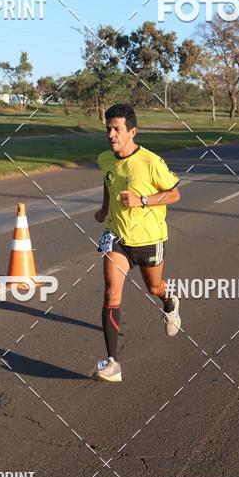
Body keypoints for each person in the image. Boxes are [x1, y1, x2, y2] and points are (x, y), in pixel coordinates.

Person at [93, 103, 181, 383]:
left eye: (117, 129)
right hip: (117, 236)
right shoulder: (105, 158)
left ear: (132, 131)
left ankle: (169, 304)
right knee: (111, 294)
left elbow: (174, 194)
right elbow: (109, 183)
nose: (111, 134)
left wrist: (143, 200)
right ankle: (112, 362)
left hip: (150, 239)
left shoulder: (151, 162)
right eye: (108, 128)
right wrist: (104, 209)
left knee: (154, 287)